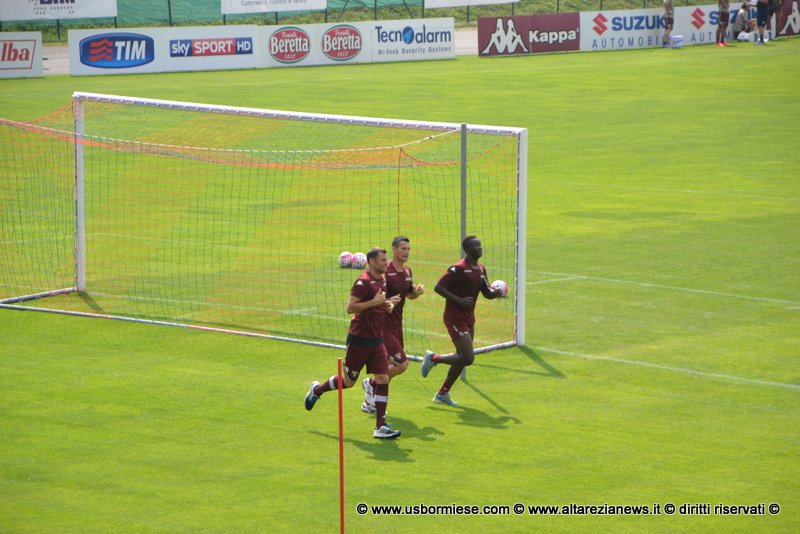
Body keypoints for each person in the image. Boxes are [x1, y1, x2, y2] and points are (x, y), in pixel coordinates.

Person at [304, 247, 401, 439]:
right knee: (348, 382)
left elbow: (378, 303)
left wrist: (387, 304)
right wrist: (375, 302)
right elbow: (350, 307)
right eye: (383, 260)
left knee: (383, 378)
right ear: (371, 261)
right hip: (359, 340)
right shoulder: (362, 282)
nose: (386, 262)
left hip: (376, 339)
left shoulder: (382, 279)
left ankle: (380, 426)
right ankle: (317, 390)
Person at [420, 236, 501, 406]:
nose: (480, 248)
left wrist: (496, 293)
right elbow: (438, 287)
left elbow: (486, 292)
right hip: (454, 318)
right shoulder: (458, 269)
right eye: (476, 246)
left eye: (480, 245)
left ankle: (442, 394)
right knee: (468, 358)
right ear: (468, 250)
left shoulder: (481, 269)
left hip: (469, 318)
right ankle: (433, 358)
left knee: (461, 358)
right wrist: (459, 301)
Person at [362, 236, 425, 414]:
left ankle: (370, 397)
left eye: (408, 249)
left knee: (390, 364)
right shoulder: (385, 271)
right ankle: (372, 386)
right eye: (403, 249)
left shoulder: (407, 271)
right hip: (383, 325)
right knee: (402, 364)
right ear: (394, 250)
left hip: (397, 325)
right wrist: (387, 301)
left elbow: (409, 295)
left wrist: (417, 292)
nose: (407, 252)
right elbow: (374, 297)